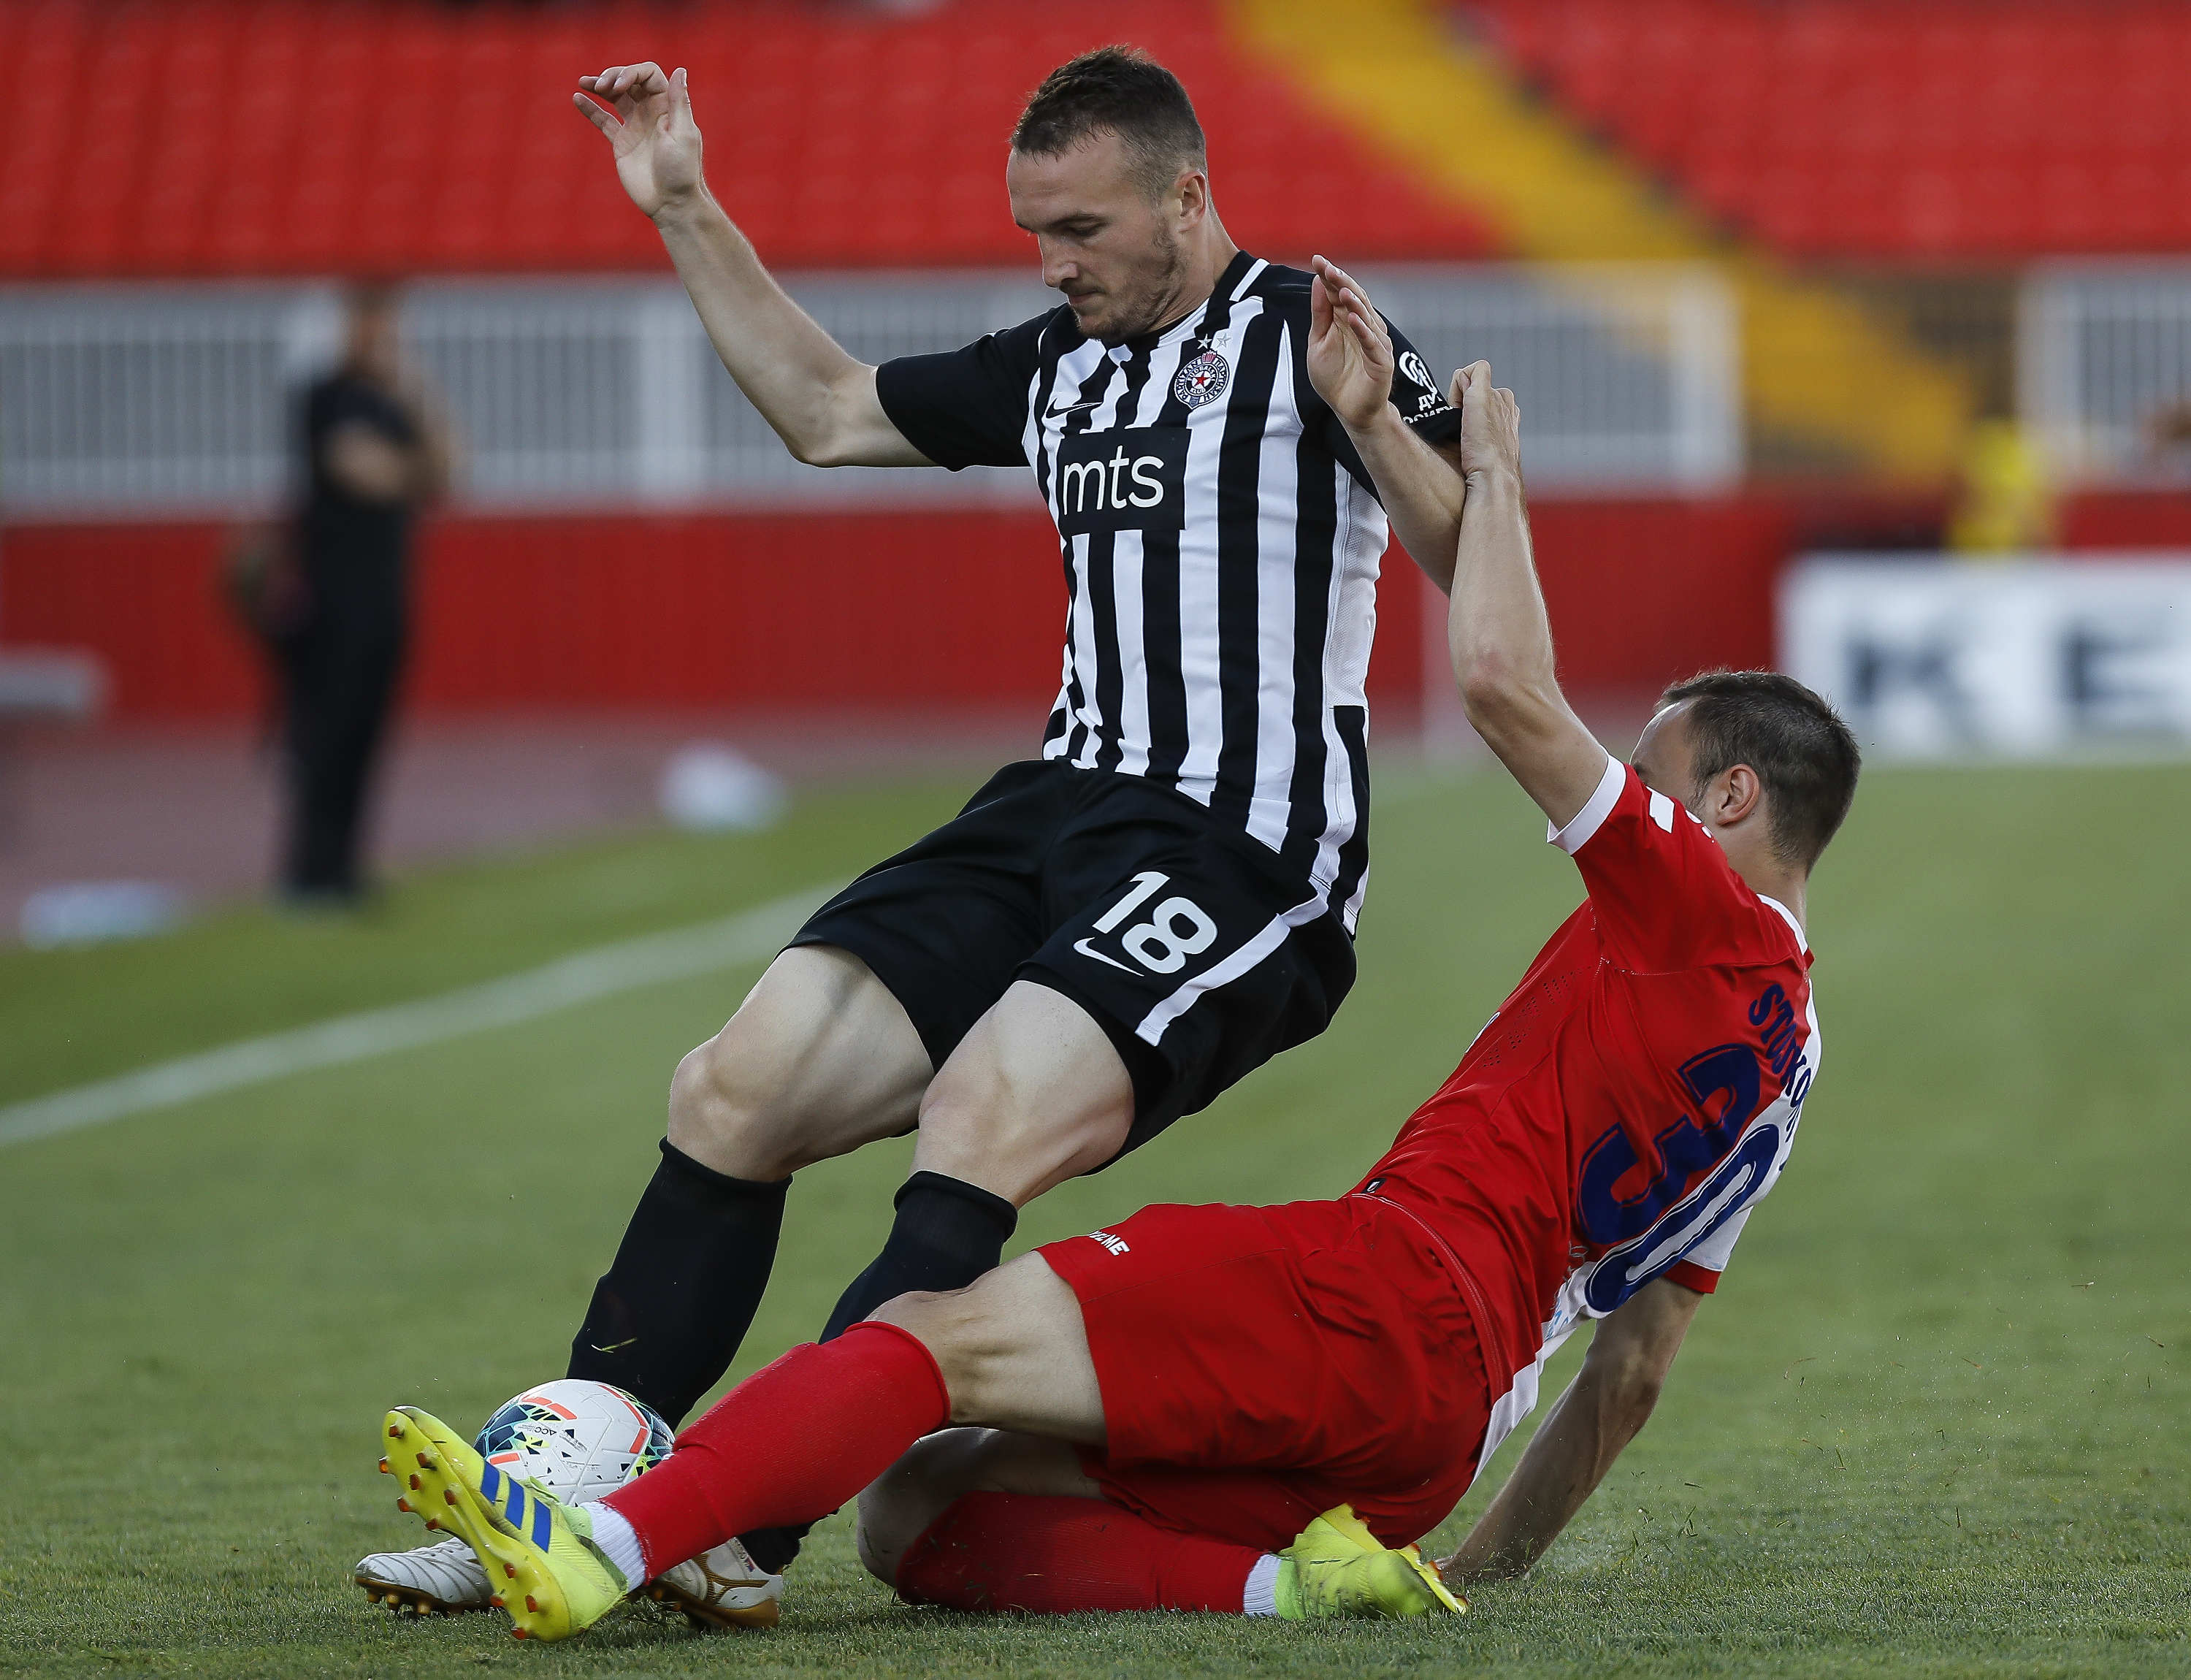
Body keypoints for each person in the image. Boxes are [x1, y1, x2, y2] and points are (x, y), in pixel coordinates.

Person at [367, 355, 1862, 1641]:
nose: (1632, 785)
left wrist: (1500, 475)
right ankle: (1300, 1591)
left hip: (1391, 1292)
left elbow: (1503, 685)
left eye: (1659, 768)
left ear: (1731, 799)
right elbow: (1636, 1365)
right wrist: (1476, 1565)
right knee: (920, 1509)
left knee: (936, 1333)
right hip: (1442, 1434)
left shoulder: (1697, 906)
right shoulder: (1789, 1056)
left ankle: (603, 1544)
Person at [356, 47, 1470, 1622]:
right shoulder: (1059, 359)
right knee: (736, 1088)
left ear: (1189, 198)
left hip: (1241, 841)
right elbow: (825, 412)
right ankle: (568, 1486)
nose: (1054, 261)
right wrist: (682, 202)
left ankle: (730, 1531)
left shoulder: (1309, 331)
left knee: (982, 1115)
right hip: (1057, 806)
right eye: (1036, 231)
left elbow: (1478, 547)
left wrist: (1385, 428)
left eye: (1082, 227)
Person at [278, 283, 452, 905]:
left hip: (384, 598)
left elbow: (450, 474)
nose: (383, 334)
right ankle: (307, 873)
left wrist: (416, 387)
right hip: (330, 599)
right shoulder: (325, 398)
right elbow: (367, 474)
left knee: (367, 737)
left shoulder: (393, 403)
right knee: (324, 735)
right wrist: (413, 469)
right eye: (371, 319)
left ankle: (344, 868)